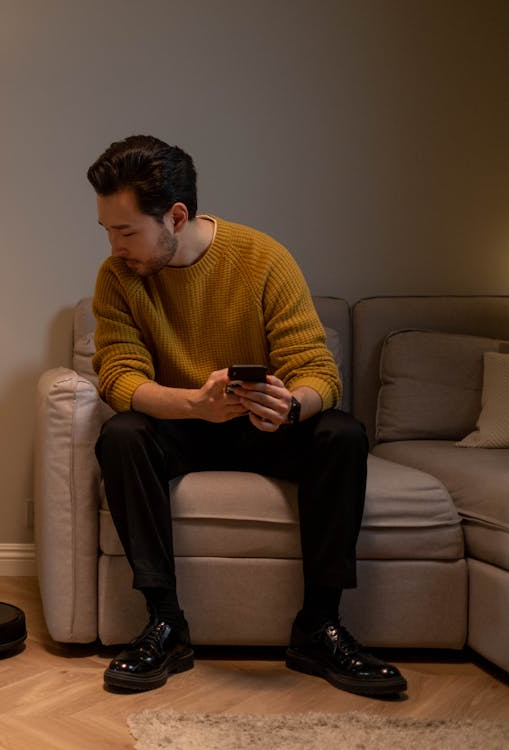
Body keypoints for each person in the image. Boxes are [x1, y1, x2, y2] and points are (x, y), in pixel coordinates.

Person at [88, 134, 407, 697]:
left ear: (177, 216)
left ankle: (320, 626)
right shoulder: (118, 278)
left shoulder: (263, 258)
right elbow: (120, 378)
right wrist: (194, 404)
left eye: (127, 230)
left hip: (263, 430)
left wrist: (289, 406)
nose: (115, 246)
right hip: (182, 426)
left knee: (341, 433)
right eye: (108, 230)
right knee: (122, 434)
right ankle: (165, 623)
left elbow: (318, 371)